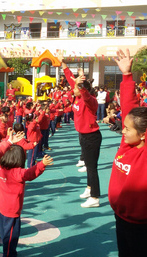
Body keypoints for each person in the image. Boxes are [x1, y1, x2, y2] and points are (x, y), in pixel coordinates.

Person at [108, 49, 147, 256]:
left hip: (141, 227)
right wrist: (126, 75)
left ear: (143, 134)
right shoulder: (126, 144)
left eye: (128, 129)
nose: (123, 130)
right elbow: (130, 106)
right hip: (120, 218)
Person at [60, 54, 102, 208]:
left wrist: (80, 85)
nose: (73, 89)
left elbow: (83, 92)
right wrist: (63, 63)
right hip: (83, 136)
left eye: (76, 88)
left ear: (83, 89)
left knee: (91, 168)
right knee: (89, 167)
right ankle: (89, 188)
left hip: (92, 137)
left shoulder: (90, 100)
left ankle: (95, 197)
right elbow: (70, 77)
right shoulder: (76, 97)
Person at [0, 145, 54, 257]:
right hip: (12, 210)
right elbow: (31, 173)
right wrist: (42, 164)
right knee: (11, 236)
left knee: (4, 232)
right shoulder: (18, 173)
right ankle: (9, 254)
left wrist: (8, 141)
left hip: (1, 206)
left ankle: (7, 251)